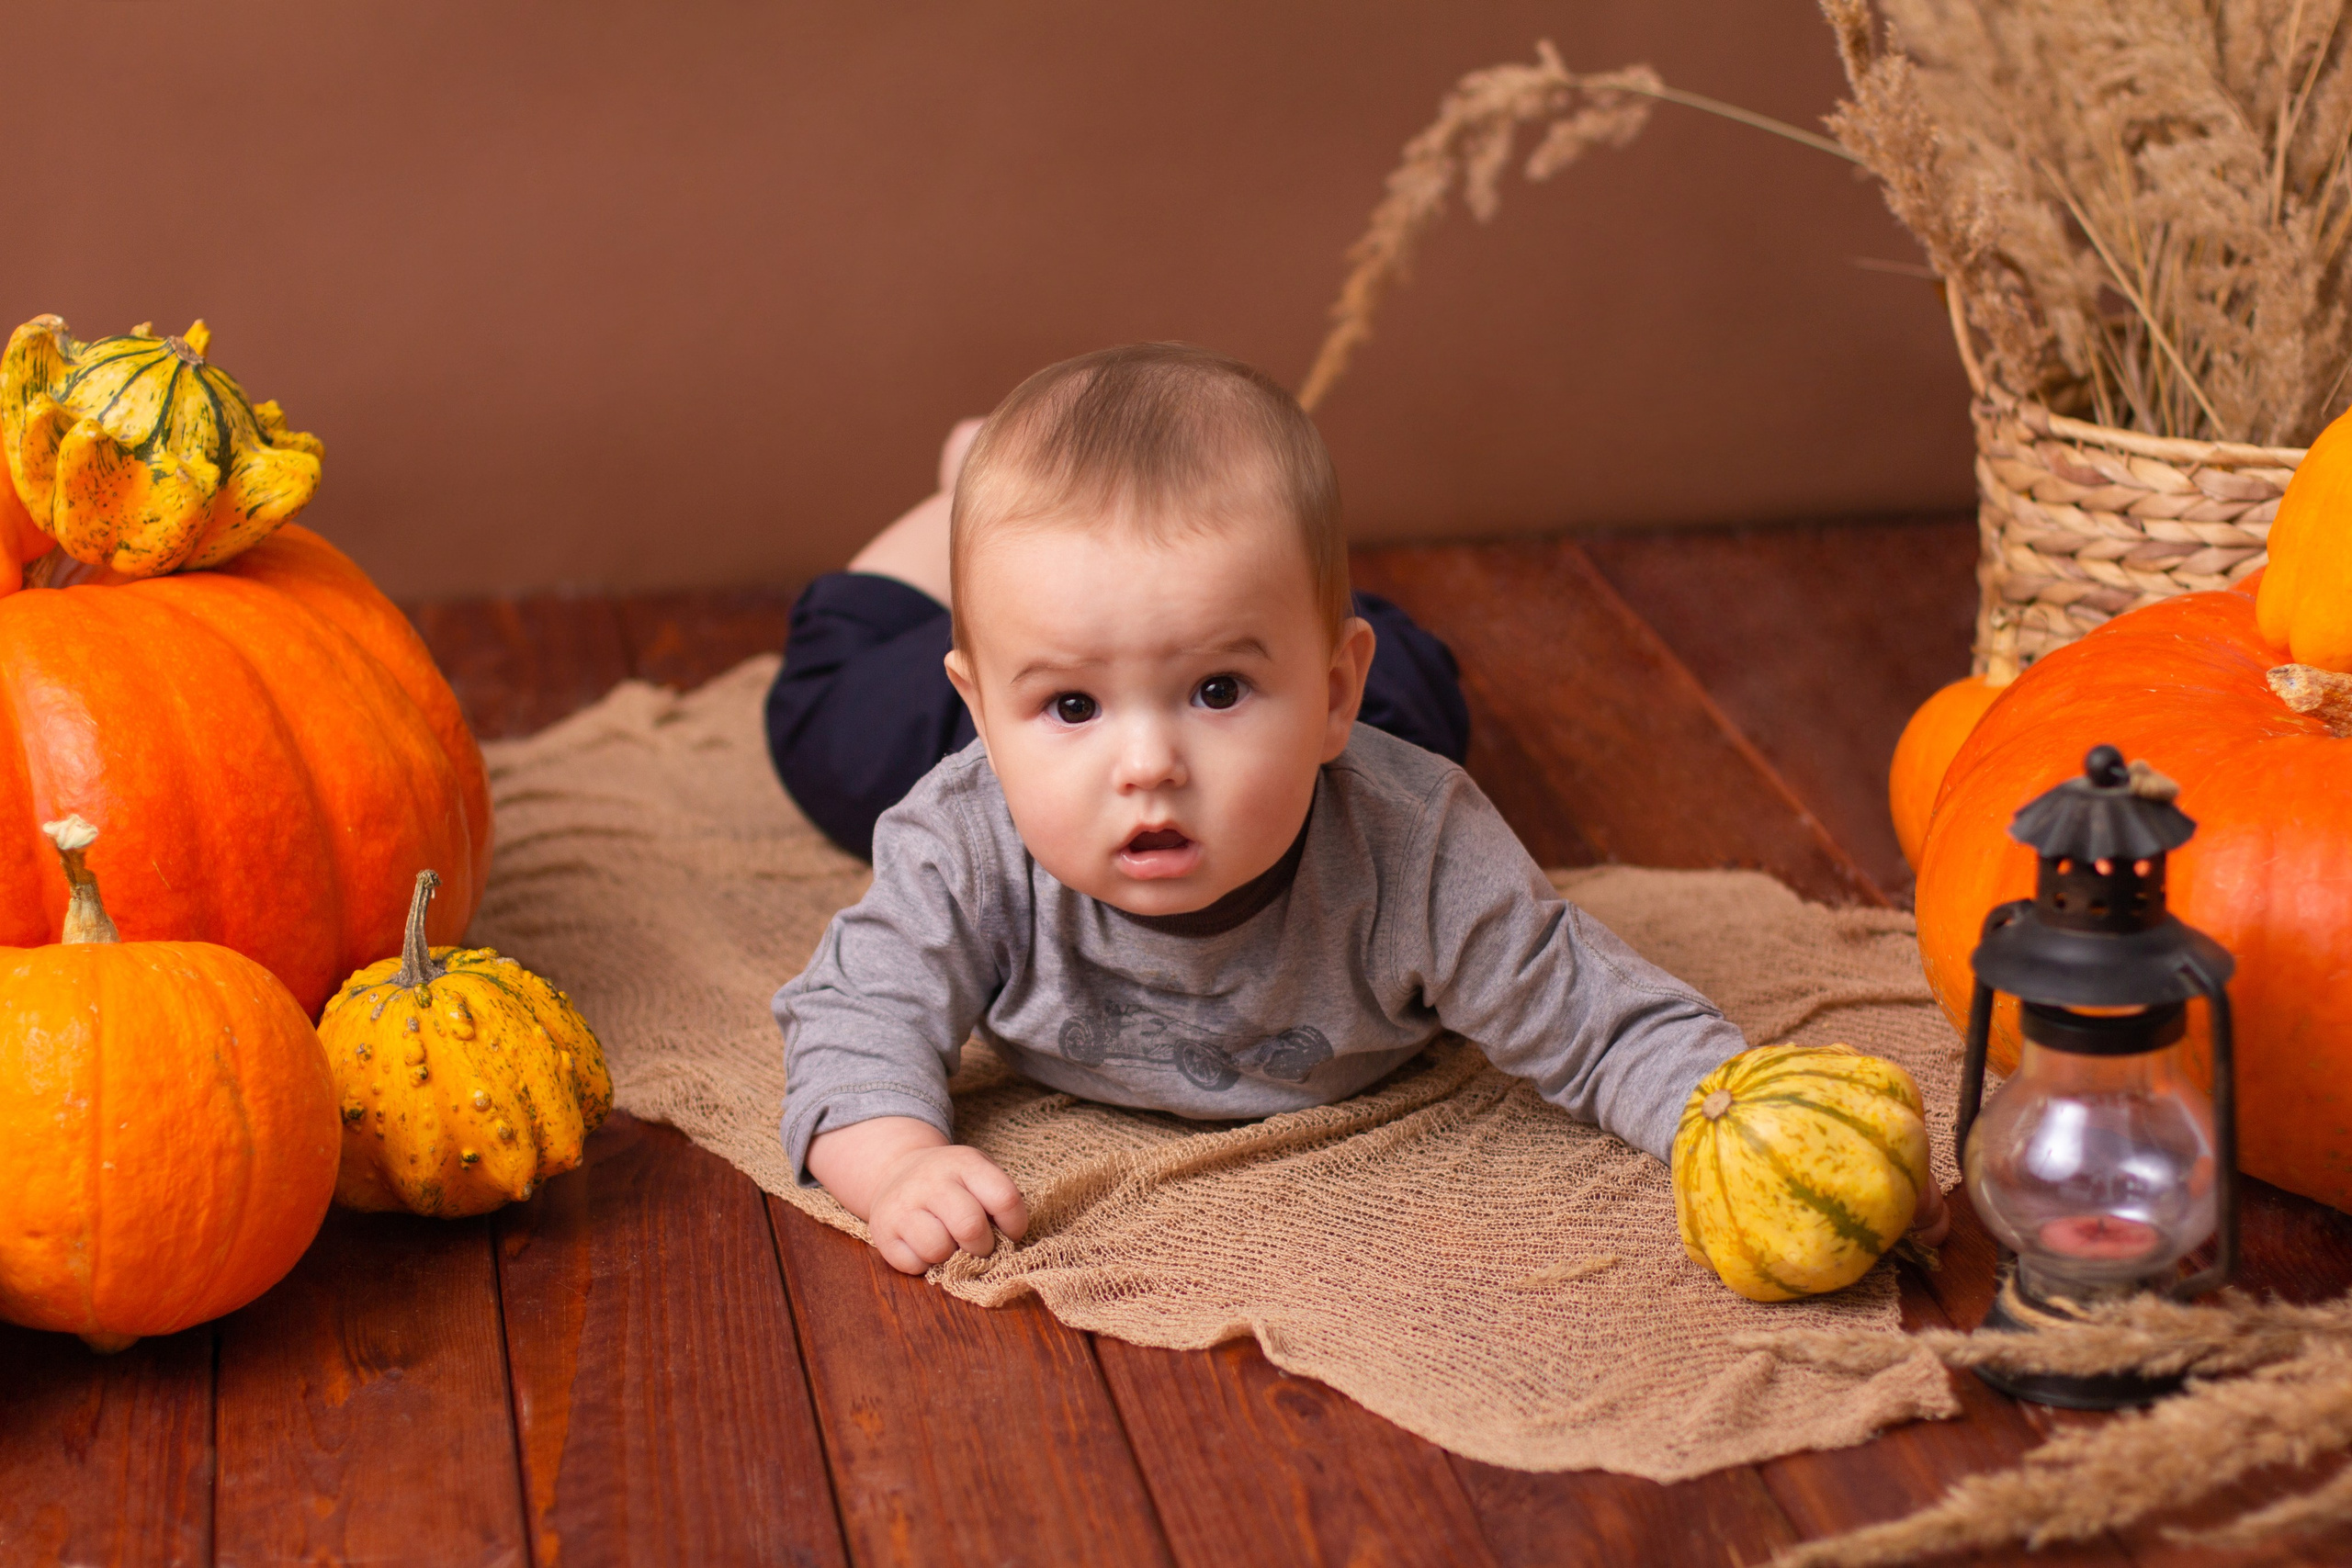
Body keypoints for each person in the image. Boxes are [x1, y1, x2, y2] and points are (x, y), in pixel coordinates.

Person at [770, 343, 1944, 1275]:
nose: (1147, 766)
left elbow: (1599, 1018)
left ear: (1337, 695)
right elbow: (853, 1019)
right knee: (827, 726)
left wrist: (1758, 1130)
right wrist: (898, 1161)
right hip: (1004, 686)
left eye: (1215, 691)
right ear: (985, 715)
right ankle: (958, 500)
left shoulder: (1416, 844)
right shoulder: (966, 834)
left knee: (1426, 689)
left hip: (1366, 729)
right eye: (1071, 706)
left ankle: (1287, 601)